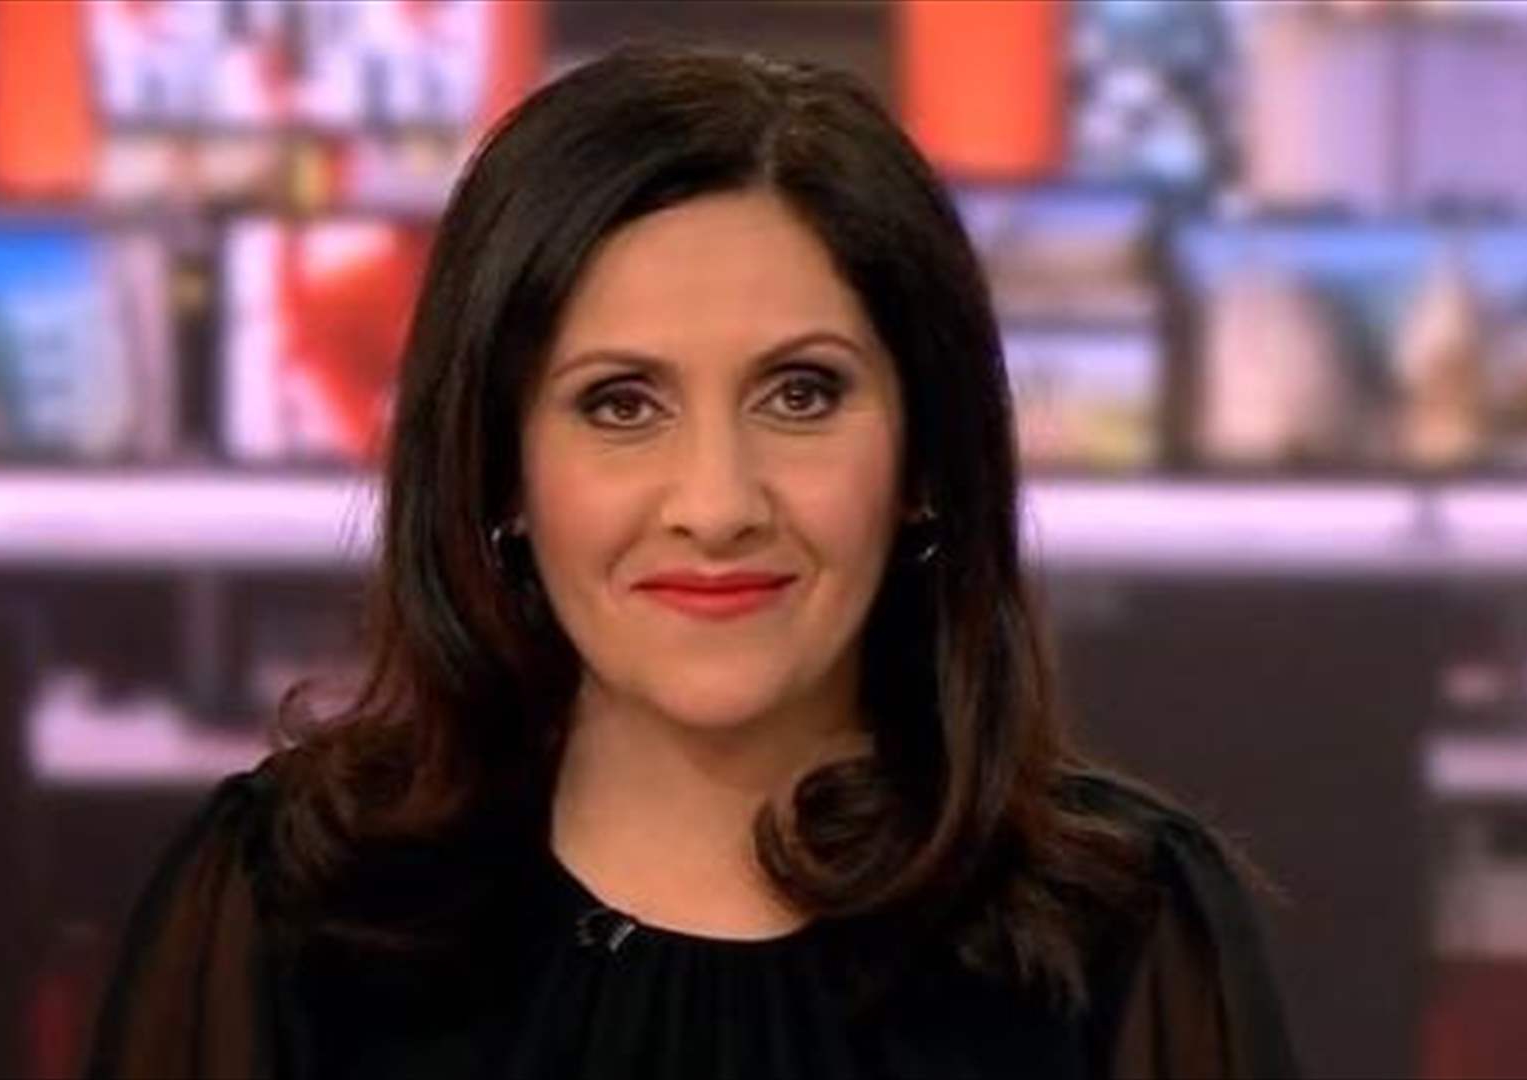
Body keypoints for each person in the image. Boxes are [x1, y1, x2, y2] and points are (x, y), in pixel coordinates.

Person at [86, 45, 1299, 1080]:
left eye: (802, 393)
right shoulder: (285, 914)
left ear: (926, 454)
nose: (716, 506)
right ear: (501, 471)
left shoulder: (1121, 937)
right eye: (621, 404)